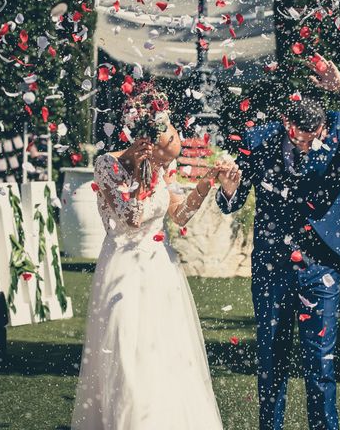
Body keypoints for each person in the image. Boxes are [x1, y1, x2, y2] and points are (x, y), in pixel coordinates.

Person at [215, 54, 340, 430]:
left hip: (321, 264)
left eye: (319, 137)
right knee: (271, 361)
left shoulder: (336, 133)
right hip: (272, 267)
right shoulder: (258, 142)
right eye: (305, 138)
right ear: (287, 126)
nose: (313, 146)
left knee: (320, 363)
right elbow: (229, 202)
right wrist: (230, 191)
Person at [71, 82, 226, 430]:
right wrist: (141, 174)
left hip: (159, 268)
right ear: (145, 144)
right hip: (123, 267)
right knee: (125, 353)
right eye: (163, 157)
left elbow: (180, 215)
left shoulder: (163, 168)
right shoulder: (107, 166)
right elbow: (132, 218)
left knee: (165, 354)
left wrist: (205, 184)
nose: (166, 164)